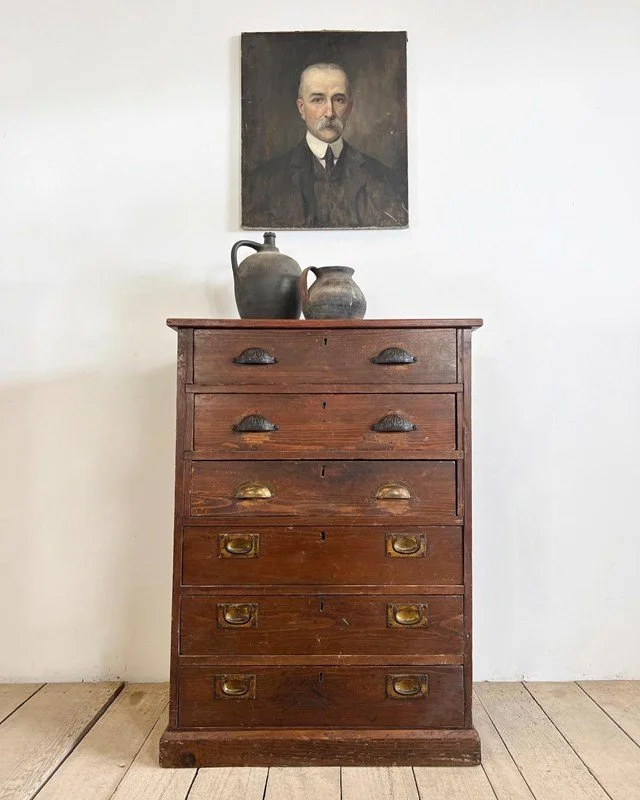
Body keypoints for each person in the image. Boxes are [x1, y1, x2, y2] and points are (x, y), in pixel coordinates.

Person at [243, 62, 408, 229]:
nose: (329, 112)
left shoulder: (384, 179)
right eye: (318, 100)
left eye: (339, 100)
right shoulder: (263, 182)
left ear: (349, 108)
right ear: (301, 109)